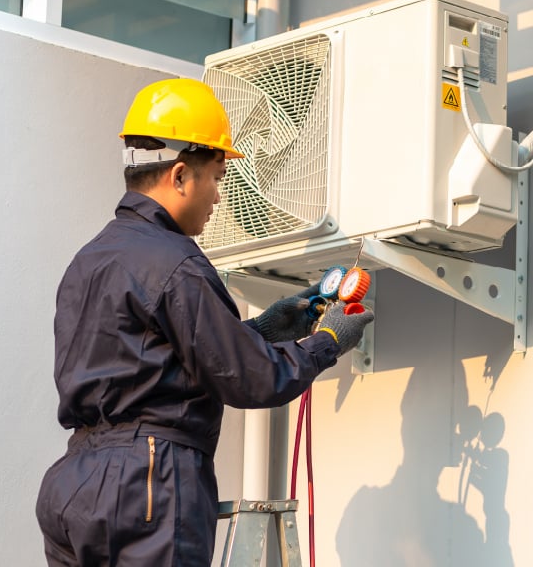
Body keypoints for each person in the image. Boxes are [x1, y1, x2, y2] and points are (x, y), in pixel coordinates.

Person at [35, 78, 374, 566]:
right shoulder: (177, 263)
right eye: (216, 176)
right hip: (148, 481)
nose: (218, 195)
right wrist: (327, 340)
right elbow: (254, 380)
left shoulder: (89, 261)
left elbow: (150, 364)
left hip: (74, 483)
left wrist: (259, 332)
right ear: (178, 176)